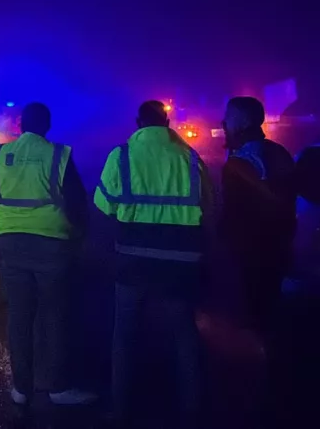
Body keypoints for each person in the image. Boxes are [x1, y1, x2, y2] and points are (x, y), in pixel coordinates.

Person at [95, 100, 211, 428]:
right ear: (167, 122)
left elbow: (104, 204)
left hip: (133, 259)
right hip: (181, 261)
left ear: (138, 123)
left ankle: (121, 410)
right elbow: (207, 204)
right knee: (184, 334)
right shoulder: (190, 157)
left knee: (125, 336)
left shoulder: (122, 156)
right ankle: (192, 410)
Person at [0, 102, 95, 407]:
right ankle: (57, 387)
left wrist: (2, 232)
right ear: (47, 125)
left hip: (11, 244)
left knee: (19, 315)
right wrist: (78, 236)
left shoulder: (0, 154)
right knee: (55, 315)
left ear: (20, 125)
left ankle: (21, 388)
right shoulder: (58, 154)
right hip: (52, 244)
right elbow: (77, 203)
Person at [219, 96, 295, 332]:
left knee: (254, 309)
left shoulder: (241, 161)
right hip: (282, 243)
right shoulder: (279, 152)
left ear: (242, 122)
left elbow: (234, 210)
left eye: (229, 117)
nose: (224, 123)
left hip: (252, 248)